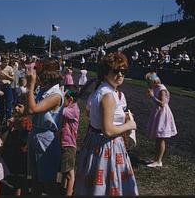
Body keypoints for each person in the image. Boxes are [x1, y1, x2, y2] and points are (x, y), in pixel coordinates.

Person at [74, 52, 138, 196]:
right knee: (108, 187)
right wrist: (130, 125)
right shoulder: (108, 95)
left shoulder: (101, 91)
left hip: (95, 142)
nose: (120, 74)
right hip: (106, 145)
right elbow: (108, 130)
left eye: (123, 71)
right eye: (116, 70)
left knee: (95, 187)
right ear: (105, 73)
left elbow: (91, 114)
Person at [27, 57, 64, 195]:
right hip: (36, 134)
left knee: (48, 182)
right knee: (35, 179)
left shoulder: (55, 95)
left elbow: (32, 109)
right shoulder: (43, 90)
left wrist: (30, 85)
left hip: (46, 139)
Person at [144, 72, 177, 167]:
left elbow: (162, 104)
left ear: (153, 81)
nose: (148, 84)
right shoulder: (156, 88)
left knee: (160, 138)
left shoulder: (162, 89)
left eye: (148, 82)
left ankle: (159, 161)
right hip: (158, 113)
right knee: (158, 138)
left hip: (163, 114)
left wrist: (152, 96)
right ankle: (156, 159)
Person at [3, 94, 32, 196]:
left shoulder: (25, 121)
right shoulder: (15, 119)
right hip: (14, 151)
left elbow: (24, 136)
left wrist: (15, 124)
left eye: (20, 106)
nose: (16, 108)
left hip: (21, 152)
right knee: (16, 176)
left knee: (20, 177)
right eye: (15, 105)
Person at [60, 85, 80, 196]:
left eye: (64, 99)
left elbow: (60, 110)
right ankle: (62, 189)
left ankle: (69, 193)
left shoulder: (73, 110)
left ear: (70, 100)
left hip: (69, 145)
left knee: (69, 173)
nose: (62, 101)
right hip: (65, 143)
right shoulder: (70, 107)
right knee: (64, 171)